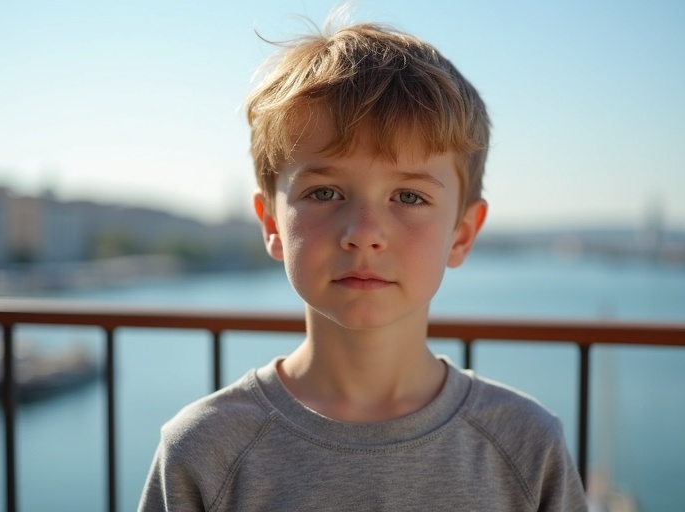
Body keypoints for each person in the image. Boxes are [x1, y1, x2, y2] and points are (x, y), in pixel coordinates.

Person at [139, 17, 587, 512]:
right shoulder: (204, 452)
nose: (364, 233)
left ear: (461, 234)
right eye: (324, 192)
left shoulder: (525, 447)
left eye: (409, 196)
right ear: (271, 224)